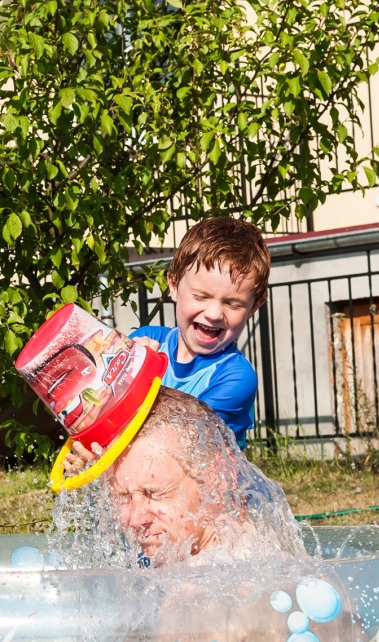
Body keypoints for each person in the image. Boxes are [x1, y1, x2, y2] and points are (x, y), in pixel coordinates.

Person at [64, 386, 305, 567]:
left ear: (218, 480)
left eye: (154, 493)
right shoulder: (190, 560)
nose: (135, 519)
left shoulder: (234, 581)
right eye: (123, 497)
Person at [131, 216, 270, 449]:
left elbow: (183, 438)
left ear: (254, 307)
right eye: (200, 296)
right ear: (174, 286)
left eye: (233, 304)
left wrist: (138, 378)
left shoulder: (235, 377)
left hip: (206, 482)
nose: (215, 313)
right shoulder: (149, 339)